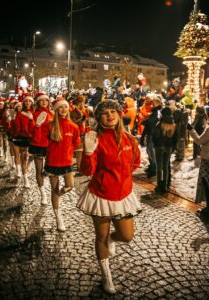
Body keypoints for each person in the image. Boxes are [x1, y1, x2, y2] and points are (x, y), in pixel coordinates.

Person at [77, 100, 141, 294]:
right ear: (99, 117)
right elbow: (87, 171)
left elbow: (135, 162)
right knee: (101, 237)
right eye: (105, 113)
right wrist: (88, 152)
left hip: (124, 195)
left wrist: (123, 178)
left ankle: (113, 240)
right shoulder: (95, 138)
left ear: (119, 115)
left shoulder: (129, 139)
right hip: (101, 195)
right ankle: (106, 277)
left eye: (113, 111)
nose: (110, 115)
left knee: (126, 236)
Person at [44, 98, 80, 231]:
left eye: (65, 107)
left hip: (67, 162)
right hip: (52, 162)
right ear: (56, 110)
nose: (63, 109)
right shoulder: (50, 125)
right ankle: (58, 218)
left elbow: (76, 143)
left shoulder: (74, 126)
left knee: (70, 186)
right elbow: (44, 140)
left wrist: (69, 151)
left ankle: (57, 196)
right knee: (54, 189)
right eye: (60, 107)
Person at [29, 93, 54, 204]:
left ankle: (43, 177)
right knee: (38, 170)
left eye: (46, 100)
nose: (44, 102)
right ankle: (43, 194)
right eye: (42, 100)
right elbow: (32, 132)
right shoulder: (34, 114)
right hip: (38, 144)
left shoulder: (53, 114)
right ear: (38, 102)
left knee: (49, 169)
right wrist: (37, 125)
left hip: (50, 145)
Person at [153, 107, 178, 193]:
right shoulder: (173, 124)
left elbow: (155, 136)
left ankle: (159, 185)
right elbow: (176, 138)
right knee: (166, 166)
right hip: (169, 147)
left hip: (159, 147)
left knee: (159, 167)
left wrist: (155, 144)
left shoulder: (159, 123)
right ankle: (165, 186)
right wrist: (172, 148)